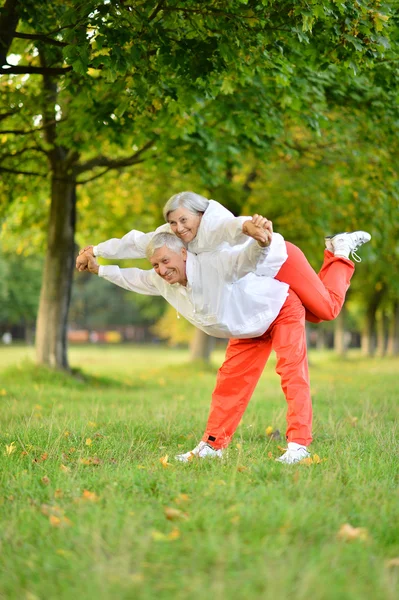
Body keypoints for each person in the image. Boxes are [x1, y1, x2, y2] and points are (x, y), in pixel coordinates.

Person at [79, 224, 367, 464]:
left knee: (294, 371)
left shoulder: (210, 263)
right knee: (230, 382)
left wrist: (257, 233)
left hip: (279, 307)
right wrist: (99, 268)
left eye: (166, 262)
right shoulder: (162, 281)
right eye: (155, 265)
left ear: (183, 253)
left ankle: (299, 446)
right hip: (246, 325)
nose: (161, 270)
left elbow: (241, 244)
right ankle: (212, 446)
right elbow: (134, 277)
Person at [76, 191, 371, 324]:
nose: (179, 229)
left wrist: (248, 227)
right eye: (173, 222)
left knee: (328, 310)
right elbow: (136, 242)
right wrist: (96, 251)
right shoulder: (174, 236)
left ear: (200, 214)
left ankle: (340, 250)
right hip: (259, 281)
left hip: (279, 262)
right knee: (315, 318)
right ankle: (331, 258)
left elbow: (233, 228)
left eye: (184, 221)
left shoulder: (213, 224)